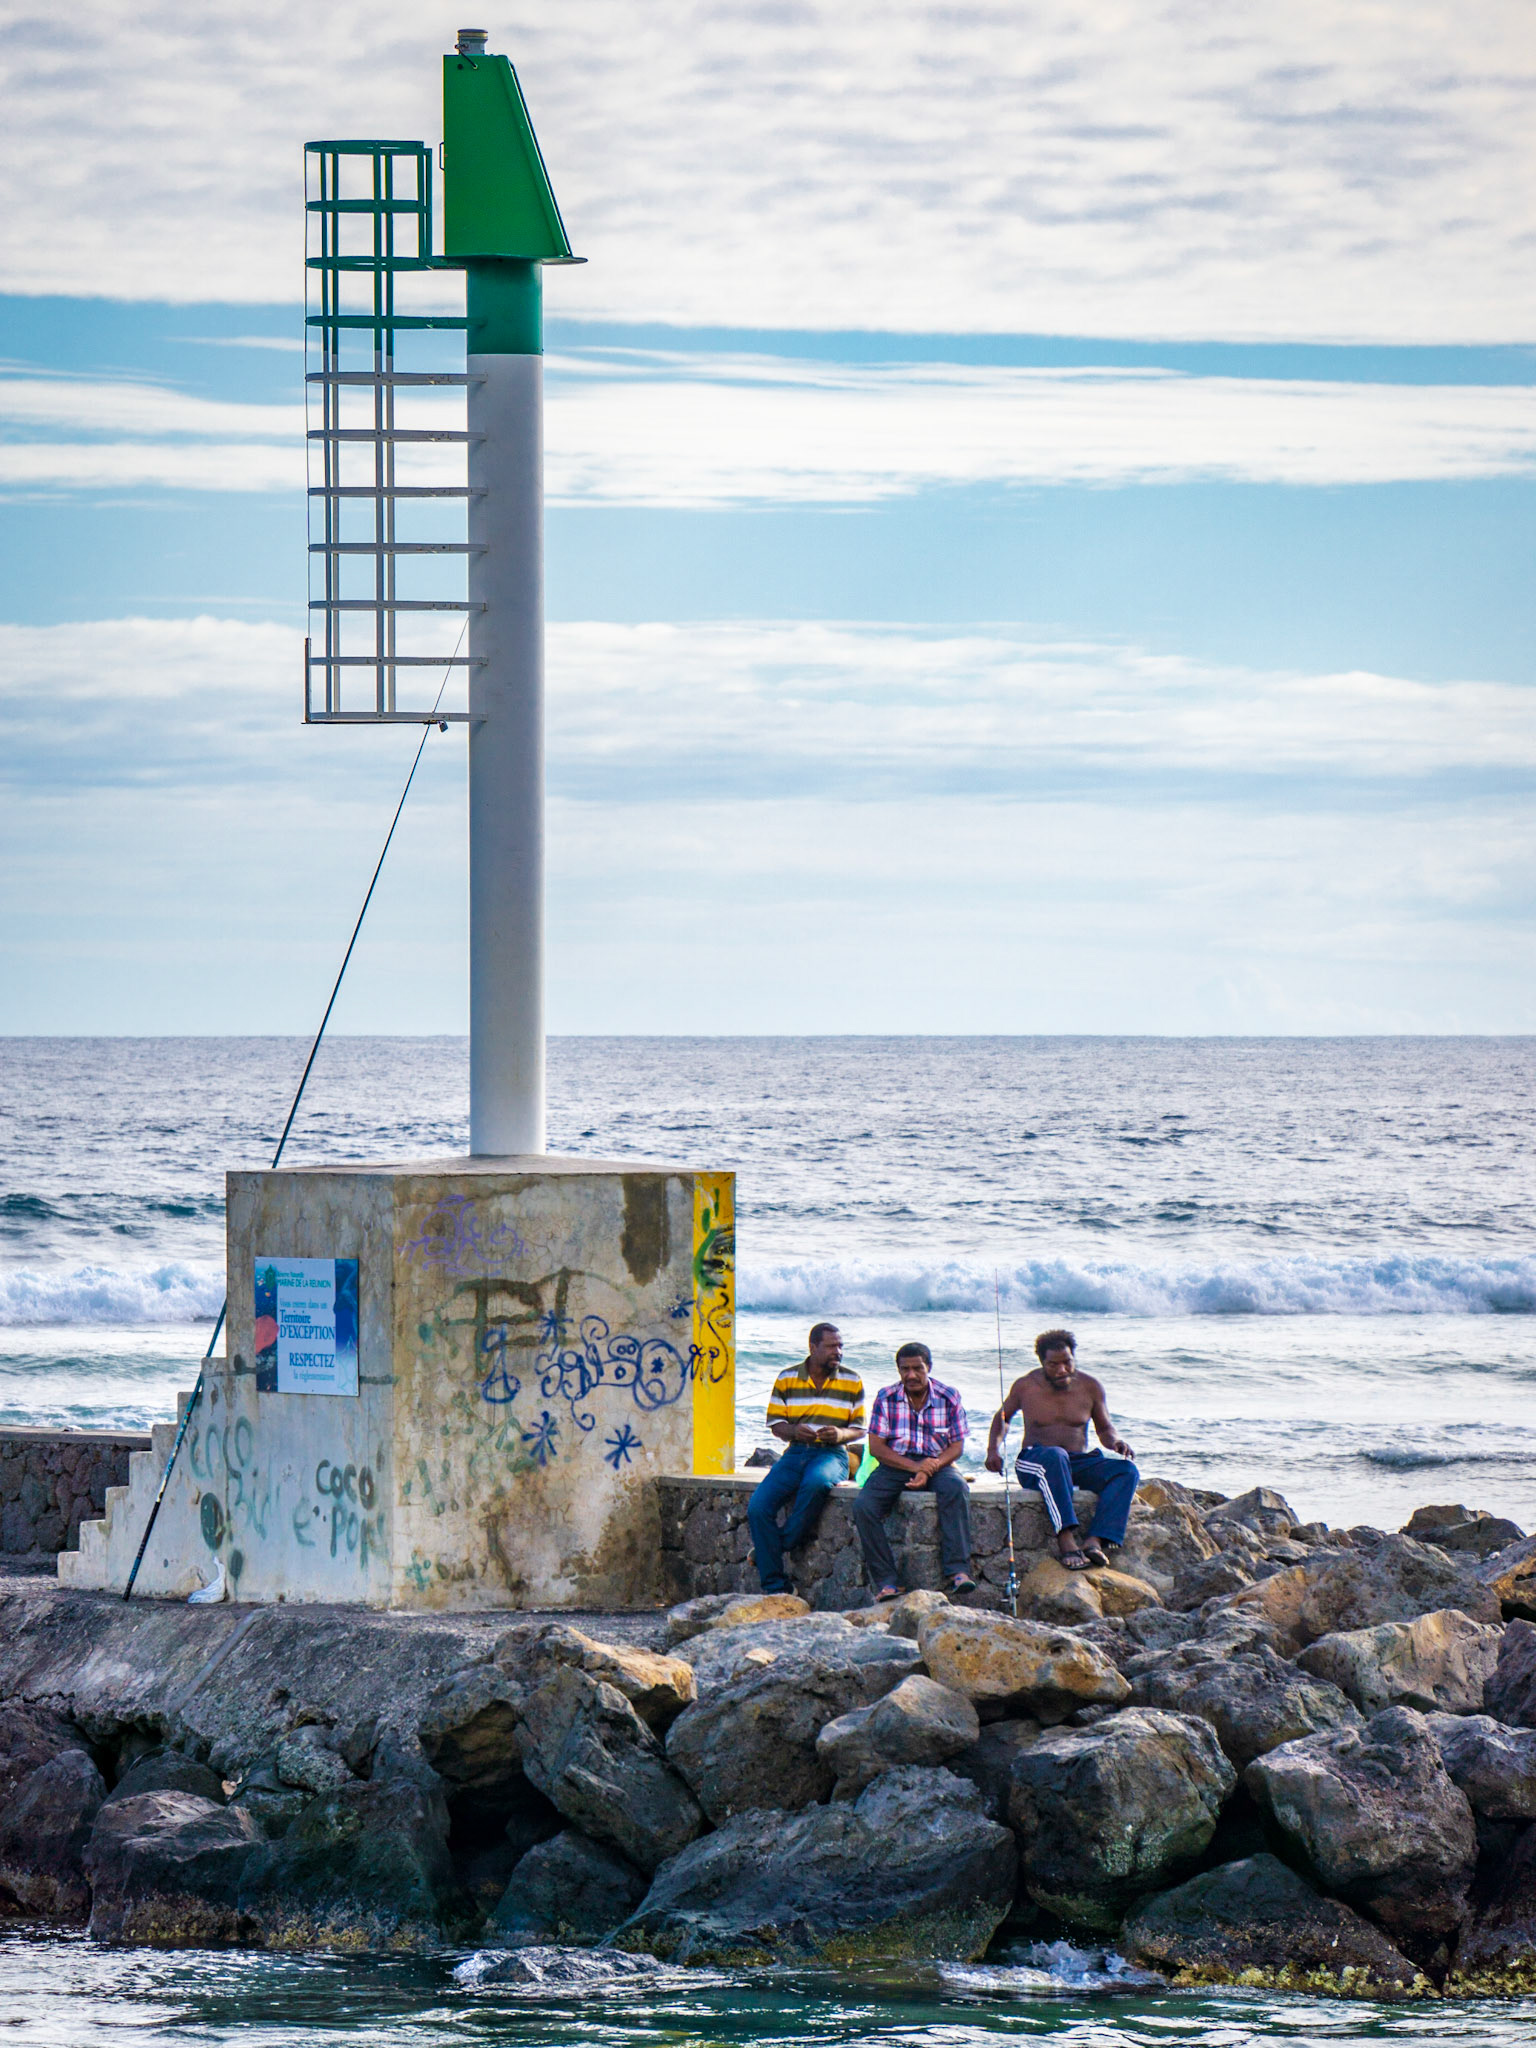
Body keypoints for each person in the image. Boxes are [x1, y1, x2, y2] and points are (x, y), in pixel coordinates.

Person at [986, 1327, 1138, 1570]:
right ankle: (1065, 1539)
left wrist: (1115, 1442)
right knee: (1056, 1455)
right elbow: (1003, 1418)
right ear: (1042, 1362)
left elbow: (1105, 1428)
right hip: (1035, 1460)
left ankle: (1094, 1540)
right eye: (1053, 1365)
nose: (1061, 1370)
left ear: (1073, 1358)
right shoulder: (1026, 1386)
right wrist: (993, 1449)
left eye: (1067, 1362)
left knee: (1126, 1471)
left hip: (1075, 1461)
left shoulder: (1090, 1386)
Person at [852, 1341, 977, 1600]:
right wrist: (915, 1467)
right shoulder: (886, 1396)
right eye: (904, 1369)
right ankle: (888, 1581)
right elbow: (876, 1447)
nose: (911, 1375)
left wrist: (928, 1468)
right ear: (898, 1371)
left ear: (928, 1367)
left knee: (956, 1488)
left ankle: (958, 1571)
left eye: (917, 1368)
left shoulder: (948, 1396)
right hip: (896, 1463)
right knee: (864, 1506)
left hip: (939, 1462)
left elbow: (956, 1447)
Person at [748, 1322, 866, 1594]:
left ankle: (774, 1547)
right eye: (831, 1346)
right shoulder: (787, 1378)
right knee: (758, 1506)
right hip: (795, 1453)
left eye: (840, 1346)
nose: (838, 1352)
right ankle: (776, 1588)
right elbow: (777, 1426)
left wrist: (838, 1433)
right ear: (813, 1347)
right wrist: (794, 1431)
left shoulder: (852, 1379)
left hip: (832, 1454)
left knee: (816, 1483)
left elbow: (859, 1429)